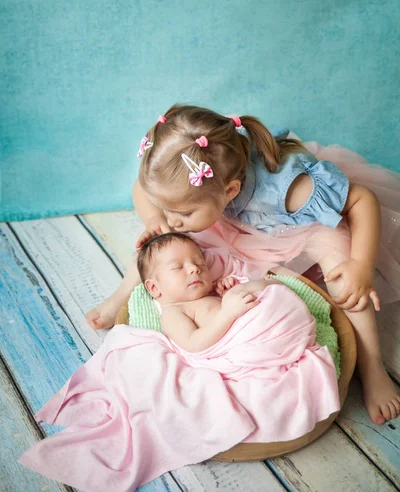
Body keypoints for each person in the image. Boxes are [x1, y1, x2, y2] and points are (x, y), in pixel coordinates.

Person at [86, 104, 400, 424]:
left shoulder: (291, 190)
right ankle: (123, 291)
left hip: (291, 226)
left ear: (231, 191)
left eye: (182, 213)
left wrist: (361, 264)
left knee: (343, 273)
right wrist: (156, 219)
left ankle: (372, 366)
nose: (173, 219)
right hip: (231, 217)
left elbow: (362, 199)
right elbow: (142, 189)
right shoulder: (187, 179)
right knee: (163, 248)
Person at [137, 232, 262, 351]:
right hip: (245, 341)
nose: (194, 268)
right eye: (178, 267)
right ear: (154, 288)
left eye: (200, 263)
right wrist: (227, 314)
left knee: (264, 286)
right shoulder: (173, 312)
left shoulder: (212, 291)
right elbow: (193, 343)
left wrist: (229, 289)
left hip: (258, 322)